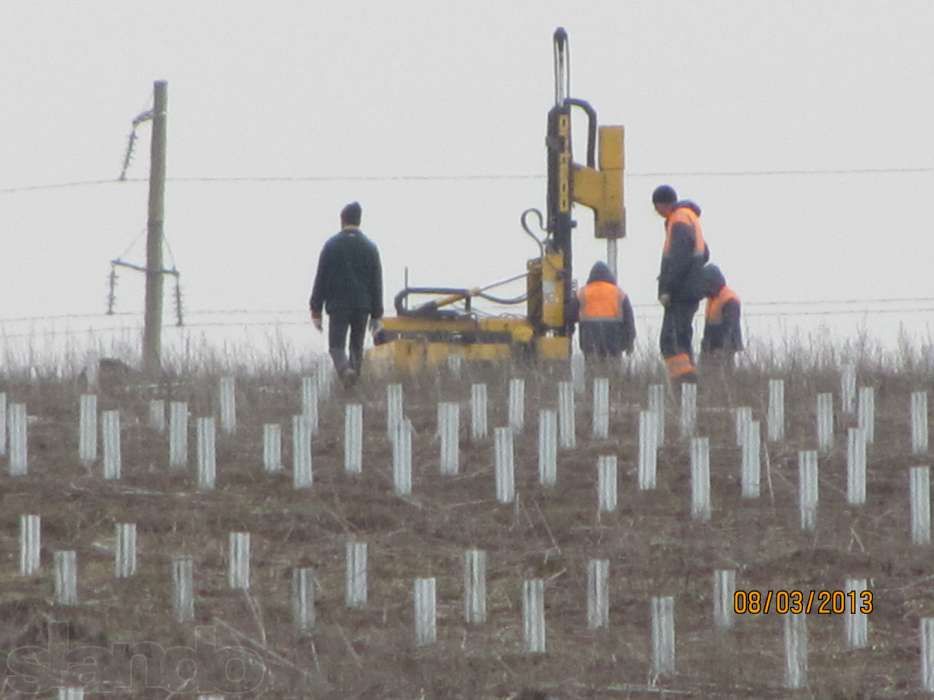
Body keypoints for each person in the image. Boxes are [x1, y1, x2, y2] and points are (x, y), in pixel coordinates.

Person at [309, 201, 383, 386]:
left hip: (338, 306)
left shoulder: (331, 246)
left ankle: (345, 370)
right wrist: (377, 314)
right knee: (356, 348)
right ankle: (352, 388)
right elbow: (377, 282)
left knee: (336, 347)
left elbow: (321, 278)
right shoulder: (370, 248)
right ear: (359, 221)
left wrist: (315, 309)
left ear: (342, 220)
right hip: (362, 307)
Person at [652, 184, 710, 384]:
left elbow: (678, 257)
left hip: (680, 292)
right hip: (690, 291)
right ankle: (690, 385)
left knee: (670, 340)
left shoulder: (678, 220)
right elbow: (704, 253)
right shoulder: (690, 218)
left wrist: (667, 288)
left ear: (662, 204)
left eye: (656, 207)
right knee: (682, 337)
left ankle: (684, 384)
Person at [568, 261, 635, 360]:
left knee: (592, 371)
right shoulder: (619, 293)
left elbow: (569, 316)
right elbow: (629, 321)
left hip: (590, 342)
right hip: (614, 343)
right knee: (614, 373)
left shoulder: (582, 293)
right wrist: (629, 342)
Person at [700, 263, 743, 370]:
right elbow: (708, 326)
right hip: (711, 348)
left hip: (724, 349)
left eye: (705, 284)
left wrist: (722, 349)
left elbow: (729, 328)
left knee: (725, 377)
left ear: (712, 282)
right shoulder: (712, 299)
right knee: (707, 376)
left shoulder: (729, 299)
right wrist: (705, 345)